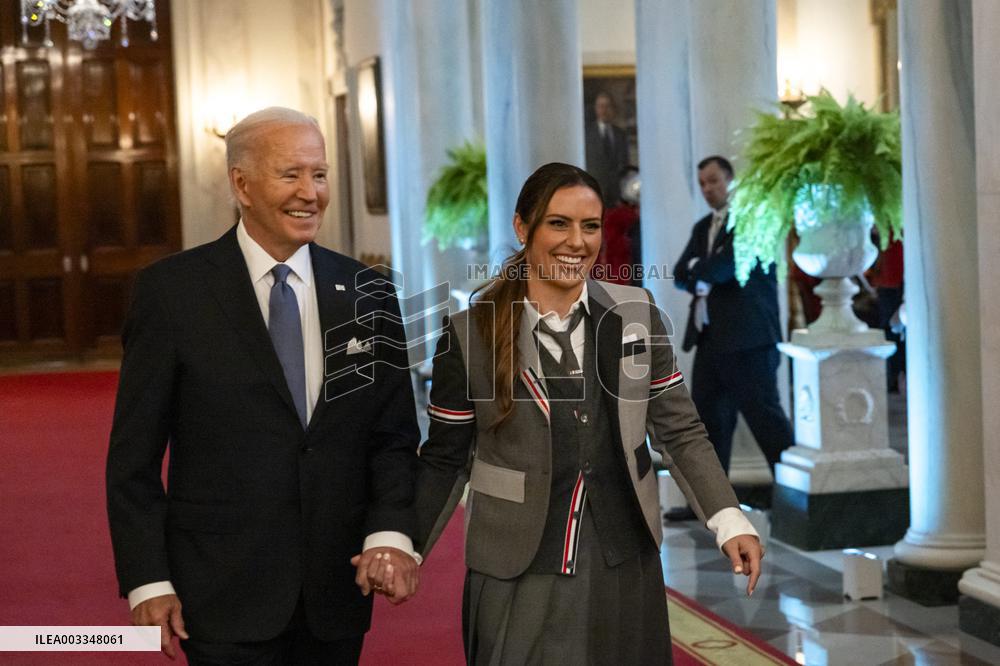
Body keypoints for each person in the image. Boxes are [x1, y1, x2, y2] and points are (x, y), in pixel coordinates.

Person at [411, 162, 763, 664]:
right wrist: (405, 547)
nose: (577, 242)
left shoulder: (637, 315)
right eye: (558, 223)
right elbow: (444, 458)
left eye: (590, 226)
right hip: (518, 565)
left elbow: (680, 431)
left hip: (624, 560)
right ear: (522, 227)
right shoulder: (470, 334)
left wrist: (729, 520)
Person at [106, 107, 420, 664]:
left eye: (319, 174)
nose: (311, 193)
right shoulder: (173, 293)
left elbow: (392, 436)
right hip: (221, 589)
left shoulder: (367, 291)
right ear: (241, 183)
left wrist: (389, 534)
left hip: (335, 591)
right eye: (291, 174)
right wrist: (147, 580)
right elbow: (133, 459)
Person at [672, 155, 794, 475]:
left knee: (766, 420)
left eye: (713, 181)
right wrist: (699, 270)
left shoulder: (752, 221)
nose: (707, 188)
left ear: (731, 182)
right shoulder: (703, 228)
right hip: (710, 340)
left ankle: (793, 496)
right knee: (708, 427)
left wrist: (699, 268)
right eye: (701, 183)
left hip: (749, 339)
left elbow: (722, 270)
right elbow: (678, 273)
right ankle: (711, 504)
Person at [584, 92, 630, 207]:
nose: (604, 110)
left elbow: (624, 163)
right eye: (600, 106)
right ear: (596, 109)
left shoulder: (620, 134)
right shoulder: (586, 133)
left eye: (607, 106)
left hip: (616, 195)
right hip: (593, 192)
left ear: (613, 109)